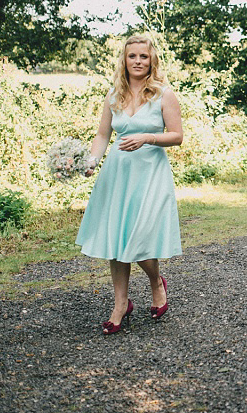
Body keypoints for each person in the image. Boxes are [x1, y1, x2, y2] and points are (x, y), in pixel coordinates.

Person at [75, 34, 183, 335]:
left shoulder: (164, 93)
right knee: (116, 239)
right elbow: (102, 135)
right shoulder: (114, 94)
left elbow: (176, 135)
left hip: (150, 174)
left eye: (143, 57)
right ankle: (120, 303)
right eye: (132, 56)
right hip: (118, 174)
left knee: (141, 240)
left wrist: (147, 137)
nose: (137, 61)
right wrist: (92, 161)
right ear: (125, 59)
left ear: (152, 61)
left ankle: (155, 280)